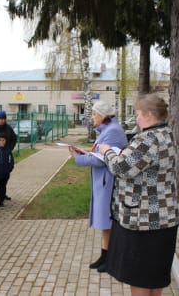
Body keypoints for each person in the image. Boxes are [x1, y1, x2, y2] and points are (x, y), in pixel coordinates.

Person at [98, 94, 179, 296]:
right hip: (164, 218)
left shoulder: (148, 138)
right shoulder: (167, 133)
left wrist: (107, 151)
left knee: (140, 277)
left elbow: (121, 168)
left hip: (143, 220)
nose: (137, 119)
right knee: (154, 276)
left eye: (138, 114)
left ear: (149, 115)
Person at [68, 101, 127, 273]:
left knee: (107, 220)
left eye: (94, 114)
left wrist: (77, 158)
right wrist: (86, 153)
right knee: (104, 221)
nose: (92, 117)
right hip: (104, 182)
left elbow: (104, 159)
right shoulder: (109, 130)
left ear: (103, 115)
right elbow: (100, 155)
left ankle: (110, 258)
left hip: (108, 182)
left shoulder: (113, 131)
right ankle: (105, 255)